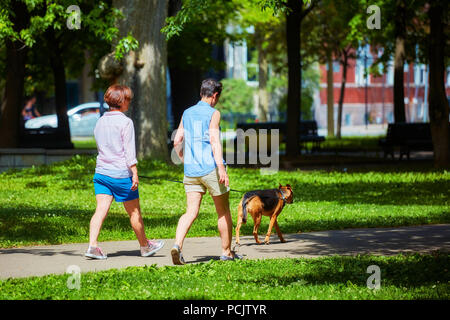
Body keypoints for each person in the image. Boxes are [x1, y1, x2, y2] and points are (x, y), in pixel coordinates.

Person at [85, 84, 164, 259]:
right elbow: (129, 152)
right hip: (121, 175)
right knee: (135, 212)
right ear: (122, 101)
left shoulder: (100, 121)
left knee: (100, 210)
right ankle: (145, 246)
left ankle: (92, 246)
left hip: (101, 174)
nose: (129, 101)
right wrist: (134, 172)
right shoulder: (125, 122)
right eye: (128, 98)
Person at [171, 79, 242, 265]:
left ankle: (177, 245)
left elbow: (177, 140)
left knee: (190, 212)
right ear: (215, 95)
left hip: (191, 171)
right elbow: (214, 141)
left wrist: (185, 160)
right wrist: (221, 169)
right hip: (210, 168)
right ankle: (226, 252)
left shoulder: (187, 112)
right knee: (223, 211)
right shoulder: (214, 113)